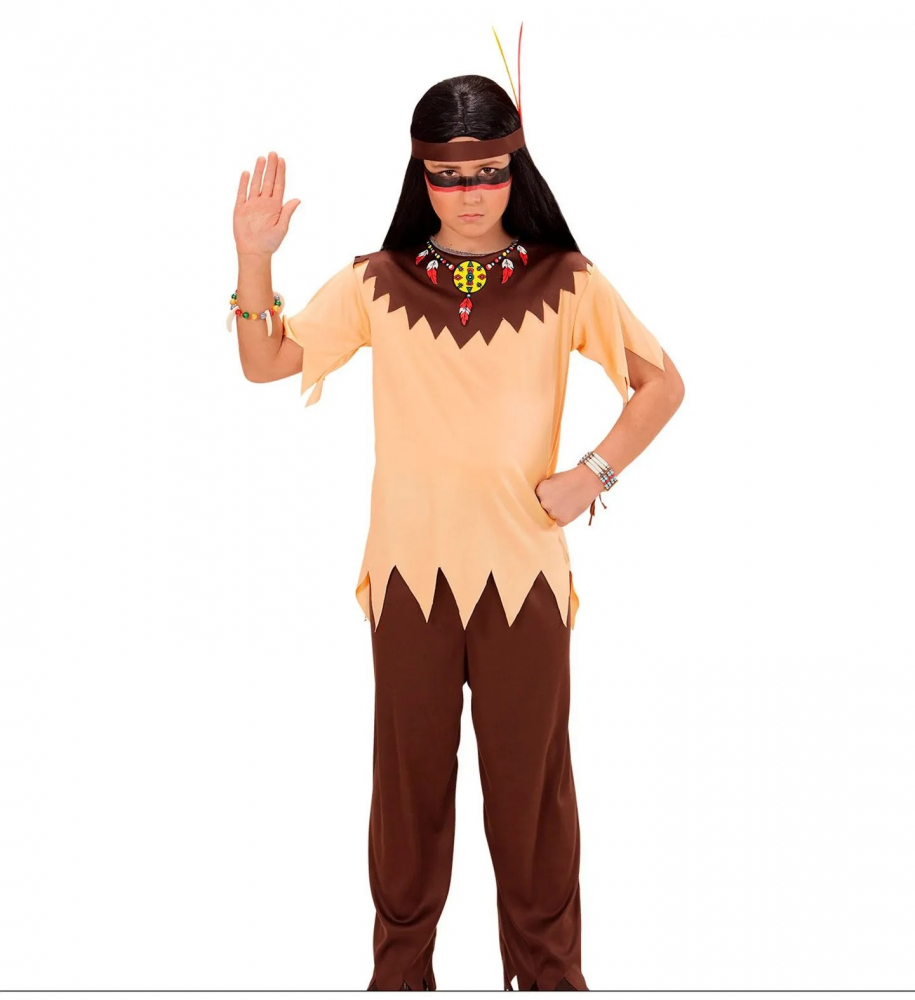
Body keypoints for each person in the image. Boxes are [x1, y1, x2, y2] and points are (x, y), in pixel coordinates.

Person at [230, 73, 684, 992]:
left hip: (525, 579)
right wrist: (253, 260)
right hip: (407, 581)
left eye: (487, 172)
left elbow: (661, 384)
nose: (470, 193)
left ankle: (550, 978)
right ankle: (400, 977)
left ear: (515, 167)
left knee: (532, 796)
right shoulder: (377, 282)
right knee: (408, 792)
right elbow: (265, 360)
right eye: (448, 175)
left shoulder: (566, 282)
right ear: (421, 175)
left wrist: (590, 476)